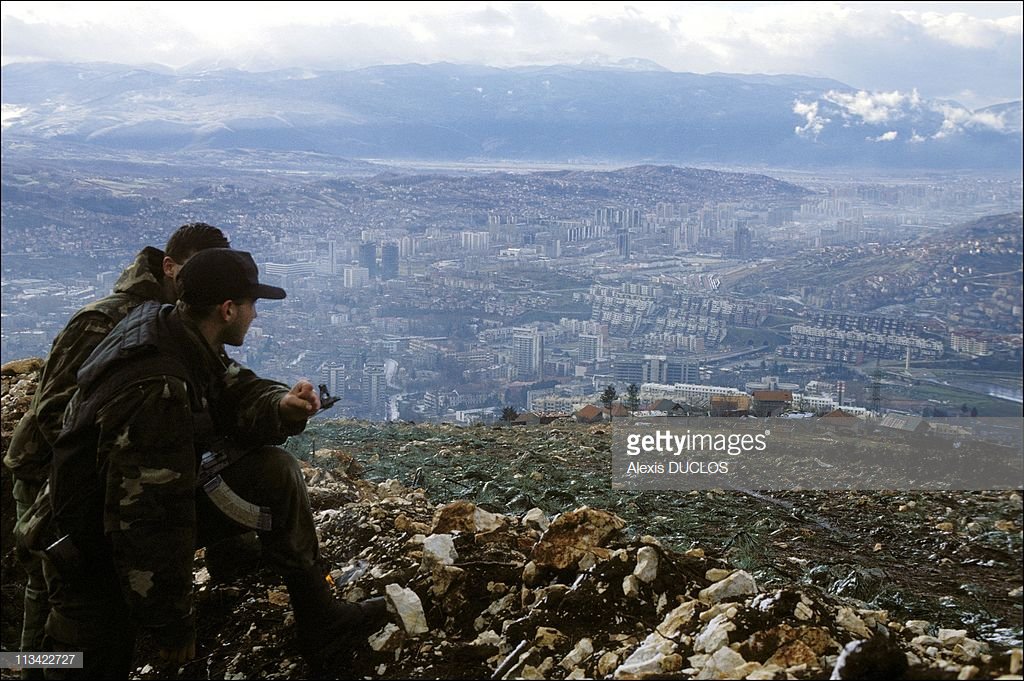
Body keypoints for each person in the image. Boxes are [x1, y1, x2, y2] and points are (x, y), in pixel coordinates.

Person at [44, 249, 387, 679]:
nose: (255, 316)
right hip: (94, 546)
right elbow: (149, 518)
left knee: (274, 472)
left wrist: (280, 406)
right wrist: (172, 624)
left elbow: (228, 385)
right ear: (228, 310)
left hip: (108, 521)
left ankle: (321, 620)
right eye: (251, 306)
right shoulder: (159, 390)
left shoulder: (169, 326)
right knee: (73, 662)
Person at [5, 223, 229, 678]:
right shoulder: (107, 320)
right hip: (46, 473)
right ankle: (25, 669)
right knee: (50, 596)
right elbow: (56, 413)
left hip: (83, 480)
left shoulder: (173, 322)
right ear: (169, 267)